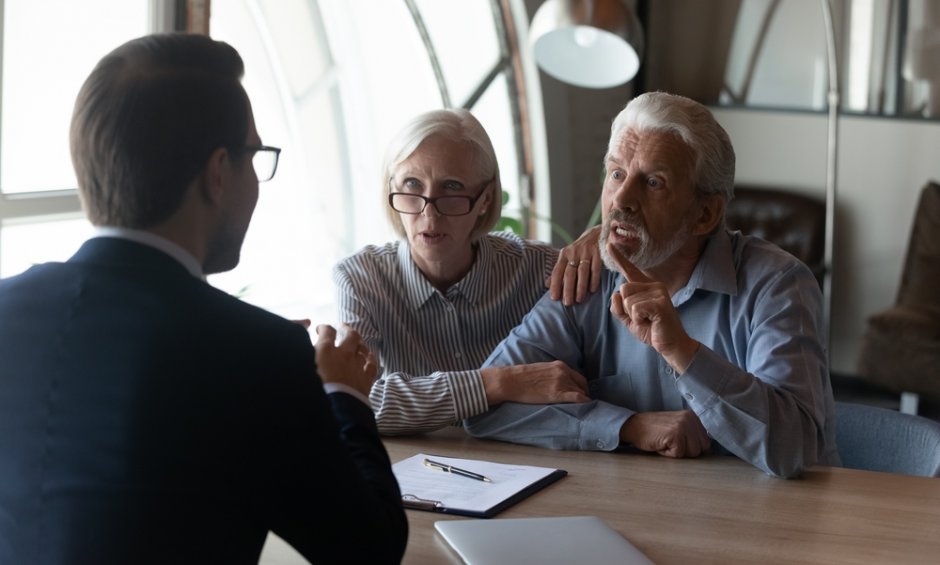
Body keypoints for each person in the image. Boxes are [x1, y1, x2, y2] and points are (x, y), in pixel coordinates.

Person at [0, 34, 406, 564]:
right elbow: (368, 552)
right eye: (255, 154)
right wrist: (343, 395)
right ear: (218, 172)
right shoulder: (259, 355)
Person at [464, 92, 840, 479]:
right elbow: (487, 410)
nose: (621, 200)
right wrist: (628, 427)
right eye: (616, 174)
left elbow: (797, 449)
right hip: (635, 513)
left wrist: (682, 351)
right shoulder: (590, 276)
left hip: (772, 525)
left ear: (705, 213)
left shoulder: (777, 286)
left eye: (654, 182)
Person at [333, 108, 601, 435]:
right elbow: (356, 402)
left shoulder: (537, 268)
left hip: (535, 464)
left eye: (451, 187)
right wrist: (497, 383)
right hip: (422, 473)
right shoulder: (361, 279)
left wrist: (603, 238)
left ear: (486, 199)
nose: (429, 215)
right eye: (412, 184)